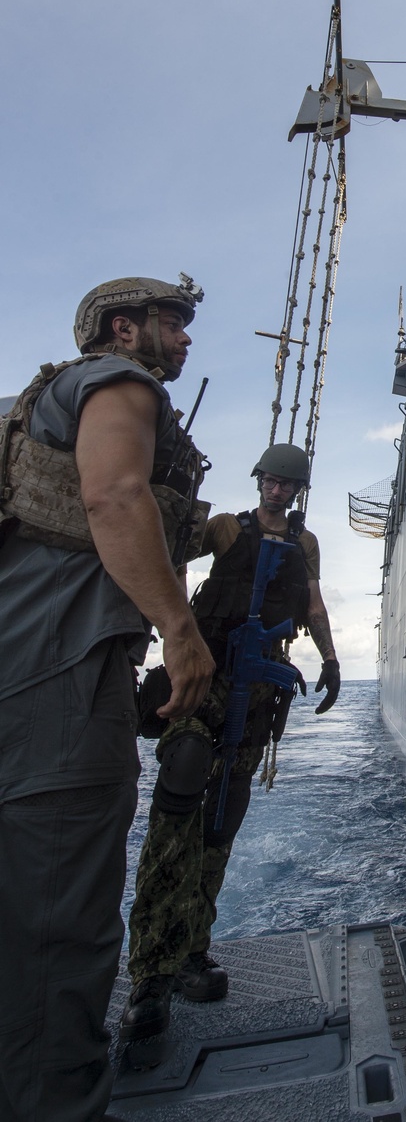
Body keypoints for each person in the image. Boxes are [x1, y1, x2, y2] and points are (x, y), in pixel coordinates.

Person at [0, 276, 214, 1122]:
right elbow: (115, 497)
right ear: (124, 327)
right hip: (64, 683)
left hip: (19, 674)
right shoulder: (122, 383)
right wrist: (181, 628)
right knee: (62, 932)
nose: (184, 341)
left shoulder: (33, 405)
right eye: (173, 323)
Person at [122, 442, 341, 1042]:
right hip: (203, 677)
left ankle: (193, 950)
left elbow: (314, 602)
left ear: (297, 490)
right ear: (258, 482)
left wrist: (330, 656)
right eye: (269, 480)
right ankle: (150, 973)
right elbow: (164, 554)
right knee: (185, 777)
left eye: (285, 484)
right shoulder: (224, 530)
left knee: (223, 816)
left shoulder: (305, 543)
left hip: (259, 692)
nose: (276, 490)